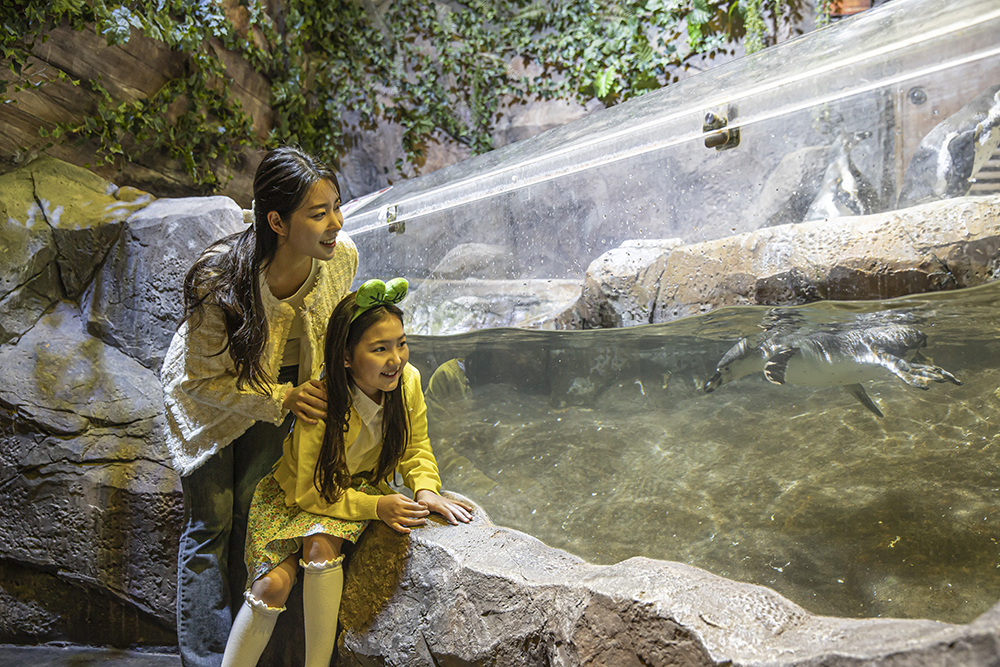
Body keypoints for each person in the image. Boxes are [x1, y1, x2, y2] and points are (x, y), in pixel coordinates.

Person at [160, 146, 358, 667]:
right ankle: (205, 660)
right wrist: (282, 398)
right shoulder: (220, 278)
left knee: (253, 514)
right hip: (206, 403)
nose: (335, 222)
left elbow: (335, 337)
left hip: (279, 397)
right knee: (213, 521)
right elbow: (200, 378)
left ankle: (243, 654)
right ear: (276, 220)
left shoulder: (342, 259)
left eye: (337, 205)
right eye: (318, 213)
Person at [219, 278, 473, 667]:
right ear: (346, 357)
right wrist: (376, 507)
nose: (396, 359)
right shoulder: (321, 400)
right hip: (298, 497)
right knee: (271, 586)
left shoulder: (408, 384)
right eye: (380, 349)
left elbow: (415, 447)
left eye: (401, 343)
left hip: (352, 492)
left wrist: (425, 488)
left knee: (321, 545)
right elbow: (308, 493)